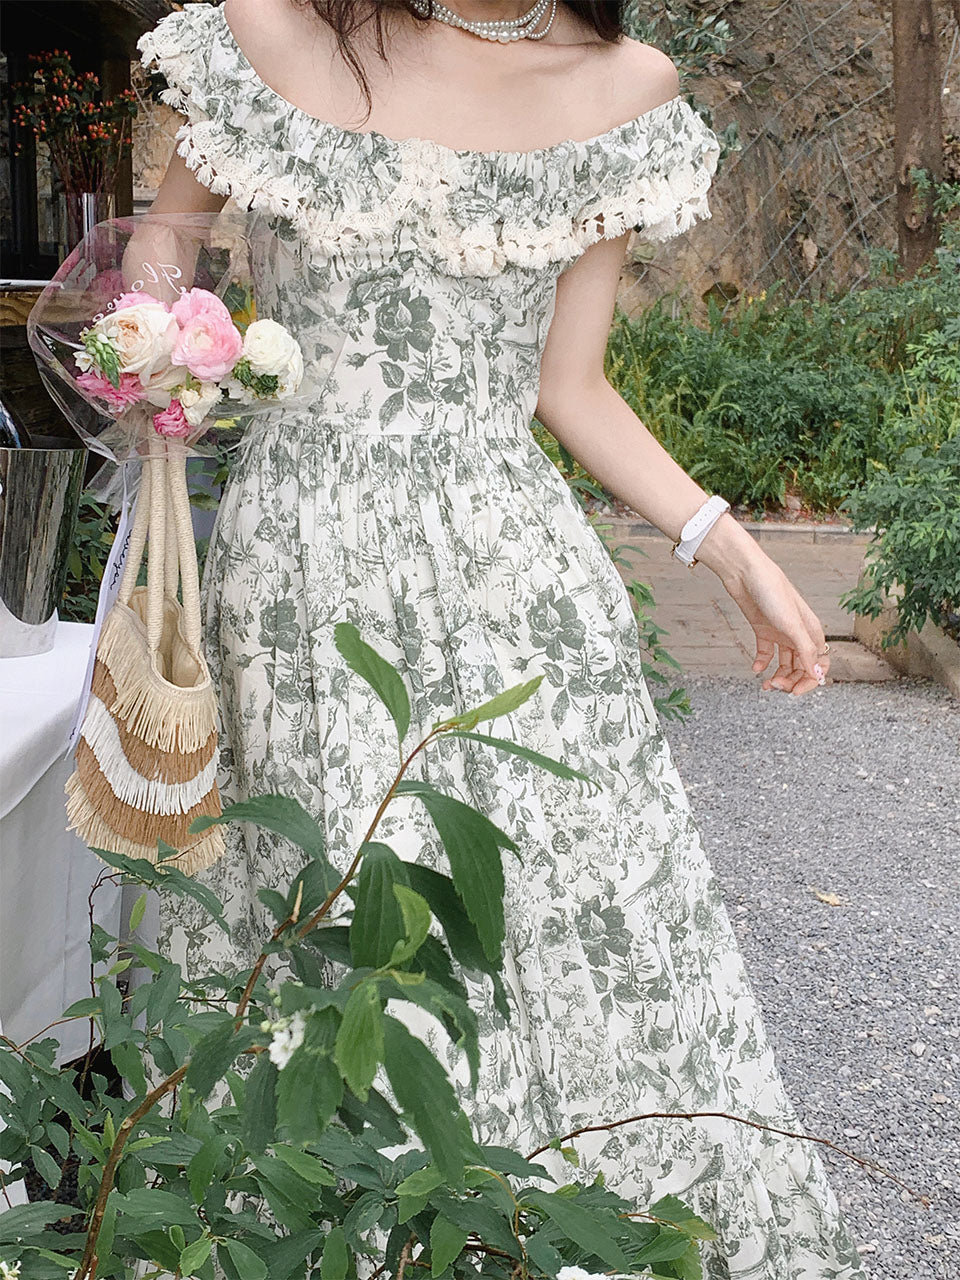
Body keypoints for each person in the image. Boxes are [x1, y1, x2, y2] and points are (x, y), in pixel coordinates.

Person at [135, 2, 866, 1276]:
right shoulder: (263, 27)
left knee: (559, 931)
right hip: (297, 581)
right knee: (326, 920)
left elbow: (566, 387)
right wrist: (152, 348)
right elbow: (164, 245)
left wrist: (735, 551)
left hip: (517, 594)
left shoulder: (623, 87)